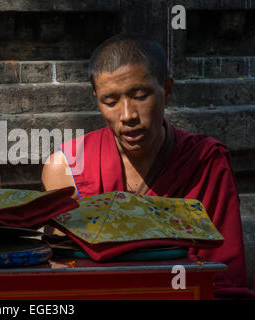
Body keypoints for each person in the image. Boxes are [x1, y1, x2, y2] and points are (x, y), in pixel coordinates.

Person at [42, 33, 253, 298]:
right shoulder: (67, 167)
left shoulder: (205, 162)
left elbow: (222, 278)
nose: (128, 115)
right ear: (96, 98)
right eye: (110, 101)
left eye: (140, 96)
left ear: (168, 89)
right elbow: (61, 276)